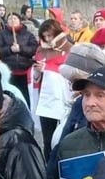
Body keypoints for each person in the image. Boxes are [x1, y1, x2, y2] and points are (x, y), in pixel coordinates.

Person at [29, 18, 73, 160]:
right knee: (48, 137)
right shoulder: (41, 49)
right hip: (46, 97)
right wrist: (37, 70)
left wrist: (47, 69)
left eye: (50, 35)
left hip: (63, 96)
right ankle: (48, 164)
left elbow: (70, 71)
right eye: (45, 36)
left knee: (64, 134)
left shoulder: (68, 48)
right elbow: (36, 75)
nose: (47, 39)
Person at [0, 13, 38, 103]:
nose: (12, 20)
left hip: (25, 72)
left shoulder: (28, 34)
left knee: (26, 96)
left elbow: (34, 49)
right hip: (10, 72)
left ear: (19, 20)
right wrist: (10, 49)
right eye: (10, 19)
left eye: (14, 18)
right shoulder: (2, 35)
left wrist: (21, 49)